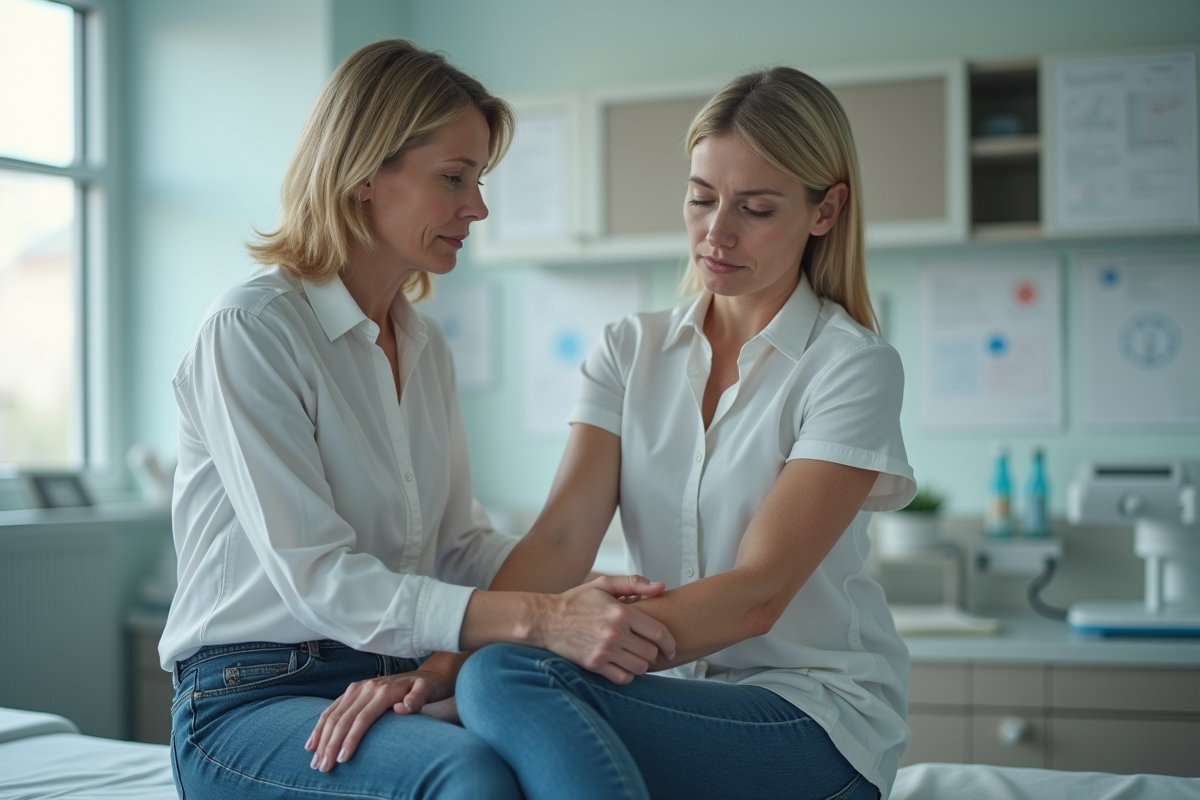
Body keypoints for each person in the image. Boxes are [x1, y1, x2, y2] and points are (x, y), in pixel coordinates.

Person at [162, 39, 674, 800]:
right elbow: (319, 577)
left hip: (386, 678)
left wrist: (583, 590)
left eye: (478, 180)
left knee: (551, 749)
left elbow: (453, 545)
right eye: (454, 178)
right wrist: (539, 617)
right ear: (365, 172)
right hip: (249, 694)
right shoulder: (253, 329)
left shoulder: (424, 345)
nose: (478, 208)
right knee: (465, 775)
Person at [453, 67, 918, 800]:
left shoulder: (851, 367)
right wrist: (438, 669)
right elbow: (559, 541)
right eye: (701, 198)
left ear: (826, 211)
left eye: (756, 209)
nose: (716, 233)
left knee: (505, 677)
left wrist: (566, 632)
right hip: (676, 693)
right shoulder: (627, 351)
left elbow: (759, 594)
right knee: (487, 690)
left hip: (812, 718)